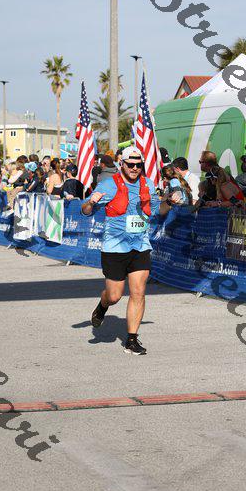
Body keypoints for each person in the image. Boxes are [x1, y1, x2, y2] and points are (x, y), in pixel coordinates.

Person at [81, 146, 172, 355]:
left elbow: (158, 211)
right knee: (114, 296)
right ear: (121, 164)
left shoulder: (147, 184)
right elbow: (85, 211)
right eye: (130, 164)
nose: (134, 168)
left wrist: (169, 202)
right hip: (114, 247)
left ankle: (131, 339)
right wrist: (91, 202)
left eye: (138, 165)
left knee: (138, 292)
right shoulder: (108, 184)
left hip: (140, 245)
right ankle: (103, 305)